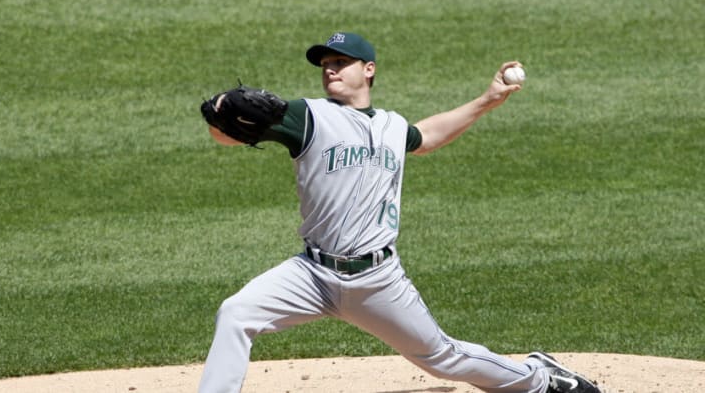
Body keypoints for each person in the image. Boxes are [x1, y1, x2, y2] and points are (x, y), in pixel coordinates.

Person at [198, 32, 601, 393]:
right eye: (325, 65)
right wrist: (218, 113)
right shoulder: (308, 116)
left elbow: (426, 137)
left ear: (368, 69)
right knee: (236, 313)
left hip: (377, 280)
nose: (330, 71)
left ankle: (541, 378)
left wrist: (487, 100)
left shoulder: (393, 126)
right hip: (311, 274)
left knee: (444, 358)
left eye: (340, 62)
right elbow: (229, 136)